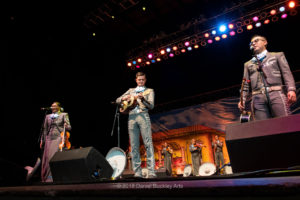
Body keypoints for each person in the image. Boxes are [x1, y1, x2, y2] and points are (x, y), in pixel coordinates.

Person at [238, 35, 297, 120]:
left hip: (276, 93)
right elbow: (245, 84)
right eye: (252, 43)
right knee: (262, 128)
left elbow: (286, 72)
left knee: (284, 122)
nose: (253, 43)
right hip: (257, 97)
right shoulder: (248, 64)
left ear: (265, 42)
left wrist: (291, 89)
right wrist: (242, 99)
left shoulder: (277, 55)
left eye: (256, 41)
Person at [116, 71, 156, 178]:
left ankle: (151, 171)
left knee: (148, 143)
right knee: (133, 146)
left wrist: (144, 99)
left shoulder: (149, 91)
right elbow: (117, 100)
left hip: (143, 115)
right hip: (131, 117)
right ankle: (137, 172)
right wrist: (124, 98)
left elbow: (151, 106)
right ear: (136, 80)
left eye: (143, 80)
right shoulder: (131, 90)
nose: (141, 81)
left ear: (145, 80)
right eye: (139, 80)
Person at [40, 102, 71, 182]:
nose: (52, 107)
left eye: (54, 106)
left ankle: (52, 176)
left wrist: (66, 125)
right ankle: (46, 177)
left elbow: (69, 127)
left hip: (58, 137)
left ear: (59, 107)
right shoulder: (47, 116)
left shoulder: (64, 114)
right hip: (48, 138)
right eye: (52, 106)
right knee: (47, 157)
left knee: (53, 156)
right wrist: (42, 140)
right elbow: (45, 129)